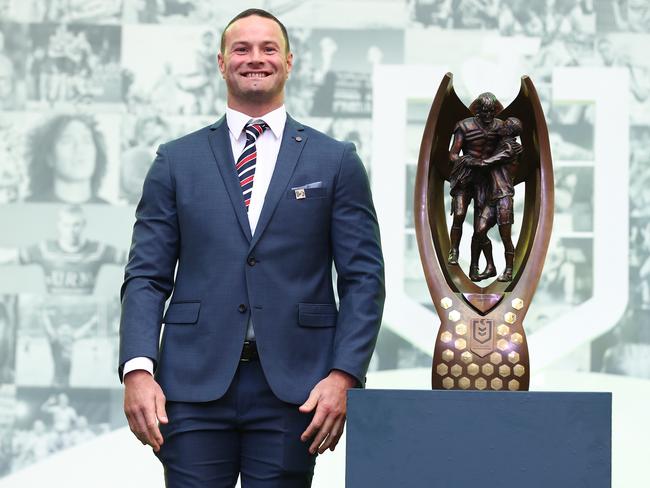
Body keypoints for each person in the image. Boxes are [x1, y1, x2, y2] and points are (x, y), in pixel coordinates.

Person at [119, 8, 385, 488]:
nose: (255, 59)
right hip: (191, 387)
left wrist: (345, 375)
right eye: (241, 49)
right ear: (222, 63)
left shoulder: (336, 160)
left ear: (289, 61)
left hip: (295, 391)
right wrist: (137, 369)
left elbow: (364, 278)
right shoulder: (175, 160)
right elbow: (146, 275)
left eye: (267, 49)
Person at [0, 205, 126, 295]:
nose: (71, 230)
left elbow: (133, 258)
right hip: (54, 307)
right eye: (66, 225)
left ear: (84, 224)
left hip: (86, 308)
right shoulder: (45, 249)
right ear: (59, 225)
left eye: (76, 224)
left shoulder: (98, 250)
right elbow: (10, 256)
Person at [448, 92, 504, 281]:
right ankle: (453, 250)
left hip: (486, 180)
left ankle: (475, 266)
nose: (488, 115)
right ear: (478, 111)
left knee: (480, 227)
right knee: (460, 214)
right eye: (485, 111)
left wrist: (514, 149)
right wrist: (469, 161)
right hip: (465, 176)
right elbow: (453, 154)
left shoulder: (499, 127)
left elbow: (507, 147)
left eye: (491, 112)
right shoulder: (464, 126)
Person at [467, 117, 523, 281]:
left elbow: (487, 163)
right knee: (479, 231)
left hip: (504, 198)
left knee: (505, 237)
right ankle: (491, 266)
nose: (502, 126)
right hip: (493, 197)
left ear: (509, 131)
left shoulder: (509, 148)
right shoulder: (504, 144)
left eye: (505, 125)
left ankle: (509, 270)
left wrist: (470, 160)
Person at [25, 114, 109, 204]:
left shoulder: (110, 213)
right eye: (67, 141)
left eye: (86, 141)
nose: (79, 149)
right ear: (49, 157)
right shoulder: (27, 210)